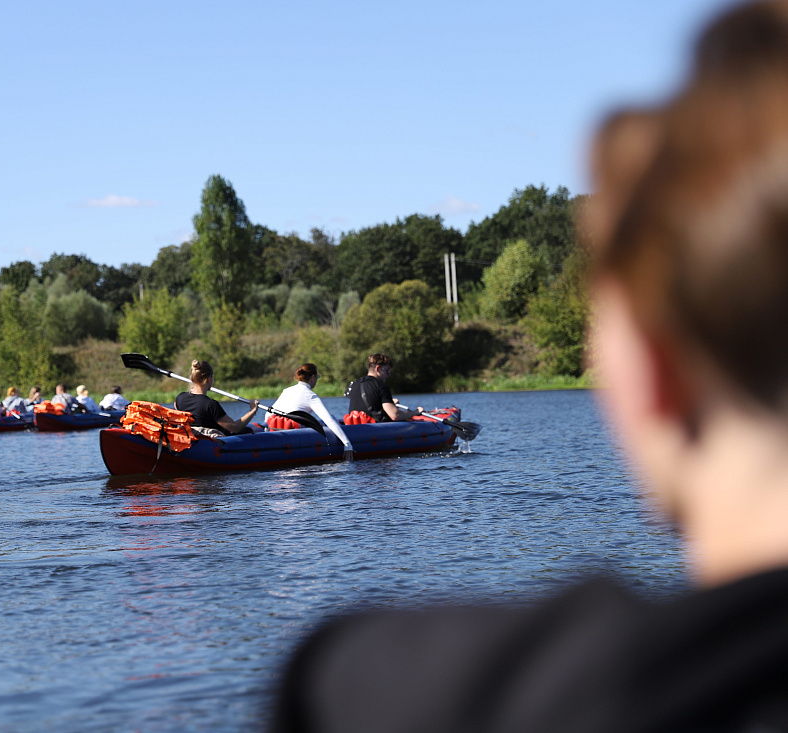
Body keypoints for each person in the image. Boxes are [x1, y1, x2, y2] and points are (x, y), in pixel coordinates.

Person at [272, 3, 788, 730]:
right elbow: (387, 414)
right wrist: (419, 421)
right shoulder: (377, 389)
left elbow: (330, 672)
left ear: (652, 376)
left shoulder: (412, 685)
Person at [272, 363, 354, 461]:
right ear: (312, 377)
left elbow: (269, 414)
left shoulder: (287, 391)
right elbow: (329, 420)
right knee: (329, 418)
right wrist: (347, 443)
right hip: (293, 432)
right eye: (317, 377)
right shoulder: (311, 395)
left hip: (276, 429)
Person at [174, 360, 259, 437]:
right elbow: (235, 427)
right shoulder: (210, 404)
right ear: (208, 379)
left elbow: (176, 407)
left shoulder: (180, 398)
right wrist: (253, 410)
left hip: (192, 437)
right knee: (249, 431)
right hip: (212, 443)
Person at [343, 353, 420, 422]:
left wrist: (389, 403)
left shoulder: (354, 384)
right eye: (387, 371)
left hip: (354, 427)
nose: (389, 375)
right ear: (378, 368)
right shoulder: (380, 386)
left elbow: (367, 401)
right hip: (374, 429)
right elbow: (395, 415)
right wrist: (415, 412)